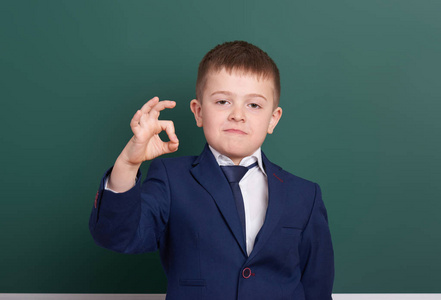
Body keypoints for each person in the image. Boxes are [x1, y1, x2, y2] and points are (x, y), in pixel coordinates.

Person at [89, 41, 334, 299]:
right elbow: (115, 236)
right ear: (198, 112)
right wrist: (128, 163)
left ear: (273, 119)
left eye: (254, 105)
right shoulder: (172, 179)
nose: (237, 115)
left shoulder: (305, 195)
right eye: (223, 102)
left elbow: (317, 287)